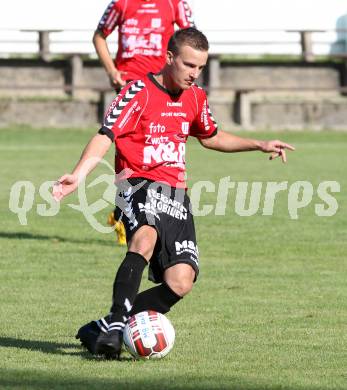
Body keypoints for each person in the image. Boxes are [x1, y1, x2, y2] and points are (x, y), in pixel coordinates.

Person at [53, 27, 295, 360]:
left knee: (181, 281)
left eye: (200, 67)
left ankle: (105, 325)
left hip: (177, 194)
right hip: (136, 183)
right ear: (170, 58)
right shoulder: (137, 92)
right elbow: (105, 135)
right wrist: (78, 175)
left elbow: (210, 136)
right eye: (189, 65)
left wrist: (259, 144)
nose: (195, 73)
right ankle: (113, 334)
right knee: (145, 239)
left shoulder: (195, 97)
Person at [93, 0, 195, 244]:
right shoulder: (121, 3)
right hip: (129, 86)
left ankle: (123, 214)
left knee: (157, 154)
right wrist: (111, 70)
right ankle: (126, 213)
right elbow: (99, 36)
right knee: (127, 153)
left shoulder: (174, 4)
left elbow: (191, 37)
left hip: (161, 90)